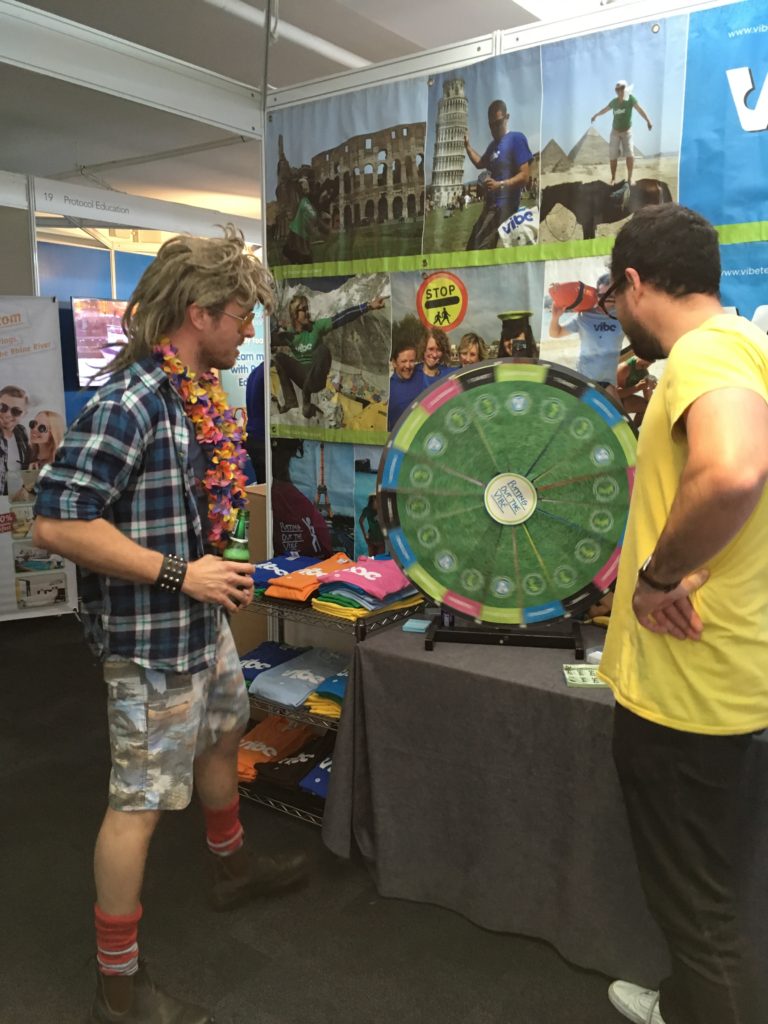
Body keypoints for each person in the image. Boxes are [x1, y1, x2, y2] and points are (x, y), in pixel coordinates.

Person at [32, 225, 309, 1024]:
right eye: (240, 317)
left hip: (199, 627)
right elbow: (53, 524)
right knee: (139, 803)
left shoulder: (197, 393)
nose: (250, 330)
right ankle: (116, 985)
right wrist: (182, 572)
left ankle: (229, 868)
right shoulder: (131, 401)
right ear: (199, 313)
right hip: (150, 646)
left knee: (226, 732)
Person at [597, 204, 768, 1024]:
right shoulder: (748, 347)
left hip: (690, 695)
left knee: (703, 914)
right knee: (716, 897)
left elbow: (733, 471)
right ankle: (687, 1004)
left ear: (634, 283)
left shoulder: (708, 349)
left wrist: (657, 578)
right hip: (727, 678)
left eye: (613, 298)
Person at [273, 293, 386, 420]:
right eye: (303, 309)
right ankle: (290, 401)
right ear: (294, 314)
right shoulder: (290, 335)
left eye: (307, 308)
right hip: (303, 377)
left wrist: (368, 306)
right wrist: (275, 329)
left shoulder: (317, 327)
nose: (307, 312)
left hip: (317, 380)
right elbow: (269, 340)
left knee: (322, 350)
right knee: (279, 358)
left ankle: (306, 394)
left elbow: (341, 318)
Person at [463, 99, 533, 250]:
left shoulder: (516, 139)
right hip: (489, 207)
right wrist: (467, 147)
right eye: (491, 125)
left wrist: (499, 185)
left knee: (479, 251)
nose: (494, 128)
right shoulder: (492, 146)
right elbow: (480, 163)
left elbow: (525, 176)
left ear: (507, 118)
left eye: (498, 123)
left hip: (504, 208)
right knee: (471, 248)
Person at [548, 272, 624, 385]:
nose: (605, 299)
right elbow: (556, 333)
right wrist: (555, 317)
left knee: (616, 403)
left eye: (610, 295)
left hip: (609, 382)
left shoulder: (623, 317)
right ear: (596, 294)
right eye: (601, 295)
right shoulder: (584, 315)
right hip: (584, 379)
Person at [591, 80, 653, 186]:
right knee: (613, 155)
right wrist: (596, 115)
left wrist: (648, 120)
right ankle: (613, 178)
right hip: (615, 132)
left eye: (622, 88)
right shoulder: (614, 102)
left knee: (630, 154)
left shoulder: (630, 99)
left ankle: (630, 178)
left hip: (627, 131)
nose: (619, 91)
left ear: (626, 89)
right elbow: (605, 109)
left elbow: (639, 109)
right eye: (617, 89)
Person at [281, 176, 328, 264]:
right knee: (301, 253)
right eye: (304, 187)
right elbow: (313, 216)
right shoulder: (304, 202)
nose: (306, 189)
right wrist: (325, 229)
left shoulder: (304, 201)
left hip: (299, 233)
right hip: (299, 233)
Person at [0, 384, 31, 495]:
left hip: (14, 500)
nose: (7, 414)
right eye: (2, 407)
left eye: (16, 411)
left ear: (24, 414)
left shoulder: (21, 432)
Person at [387, 342, 423, 430]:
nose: (408, 366)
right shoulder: (388, 389)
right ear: (394, 363)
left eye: (411, 361)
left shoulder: (422, 375)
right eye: (403, 361)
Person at [244, 360, 266, 483]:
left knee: (263, 485)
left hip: (255, 439)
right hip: (265, 441)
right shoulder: (268, 373)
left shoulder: (256, 371)